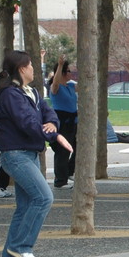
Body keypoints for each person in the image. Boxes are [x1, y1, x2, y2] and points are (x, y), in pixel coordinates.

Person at [0, 50, 72, 257]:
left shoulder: (32, 93)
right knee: (43, 198)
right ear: (21, 69)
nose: (33, 69)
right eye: (30, 65)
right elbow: (27, 123)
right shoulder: (10, 95)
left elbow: (49, 113)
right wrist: (54, 135)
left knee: (25, 206)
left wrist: (53, 125)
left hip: (30, 154)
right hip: (16, 154)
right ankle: (21, 247)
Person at [48, 55, 78, 189]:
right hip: (61, 121)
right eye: (68, 71)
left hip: (73, 121)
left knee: (77, 148)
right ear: (63, 73)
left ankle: (69, 171)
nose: (71, 73)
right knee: (62, 151)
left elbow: (83, 84)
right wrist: (60, 65)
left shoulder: (70, 86)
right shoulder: (56, 88)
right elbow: (55, 83)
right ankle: (60, 181)